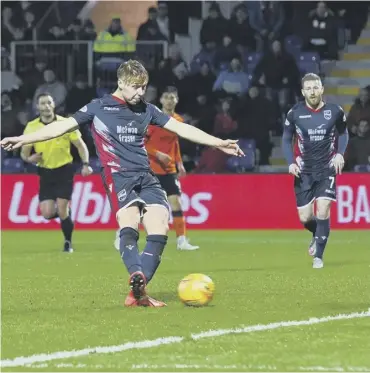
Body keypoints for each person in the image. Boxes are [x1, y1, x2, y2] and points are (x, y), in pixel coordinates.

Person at [1, 60, 244, 307]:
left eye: (144, 87)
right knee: (129, 226)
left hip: (146, 176)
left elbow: (182, 129)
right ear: (121, 83)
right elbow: (61, 127)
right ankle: (137, 282)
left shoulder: (146, 109)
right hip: (118, 176)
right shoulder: (98, 107)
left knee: (160, 227)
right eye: (136, 87)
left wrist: (218, 142)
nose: (141, 92)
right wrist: (23, 139)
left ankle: (138, 286)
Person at [282, 73, 349, 269]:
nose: (312, 91)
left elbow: (344, 132)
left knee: (323, 208)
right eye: (308, 88)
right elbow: (286, 139)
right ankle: (317, 232)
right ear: (303, 92)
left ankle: (318, 257)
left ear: (322, 89)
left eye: (315, 87)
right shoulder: (294, 113)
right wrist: (290, 162)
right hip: (304, 171)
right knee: (305, 217)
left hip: (327, 168)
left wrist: (340, 154)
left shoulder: (335, 111)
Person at [20, 93, 93, 252]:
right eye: (42, 103)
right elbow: (24, 153)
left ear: (53, 105)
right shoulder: (32, 127)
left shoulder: (65, 124)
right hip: (45, 172)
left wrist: (86, 164)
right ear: (37, 107)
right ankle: (66, 213)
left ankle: (68, 242)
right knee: (47, 213)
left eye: (48, 102)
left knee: (61, 208)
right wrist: (29, 158)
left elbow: (80, 146)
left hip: (64, 170)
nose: (46, 106)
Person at [144, 86, 199, 251]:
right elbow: (140, 142)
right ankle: (123, 234)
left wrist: (179, 162)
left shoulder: (178, 121)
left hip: (169, 170)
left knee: (176, 203)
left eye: (172, 98)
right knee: (143, 207)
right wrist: (157, 154)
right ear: (161, 100)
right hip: (150, 168)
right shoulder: (153, 119)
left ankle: (182, 241)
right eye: (166, 97)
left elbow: (174, 143)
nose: (169, 100)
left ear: (176, 100)